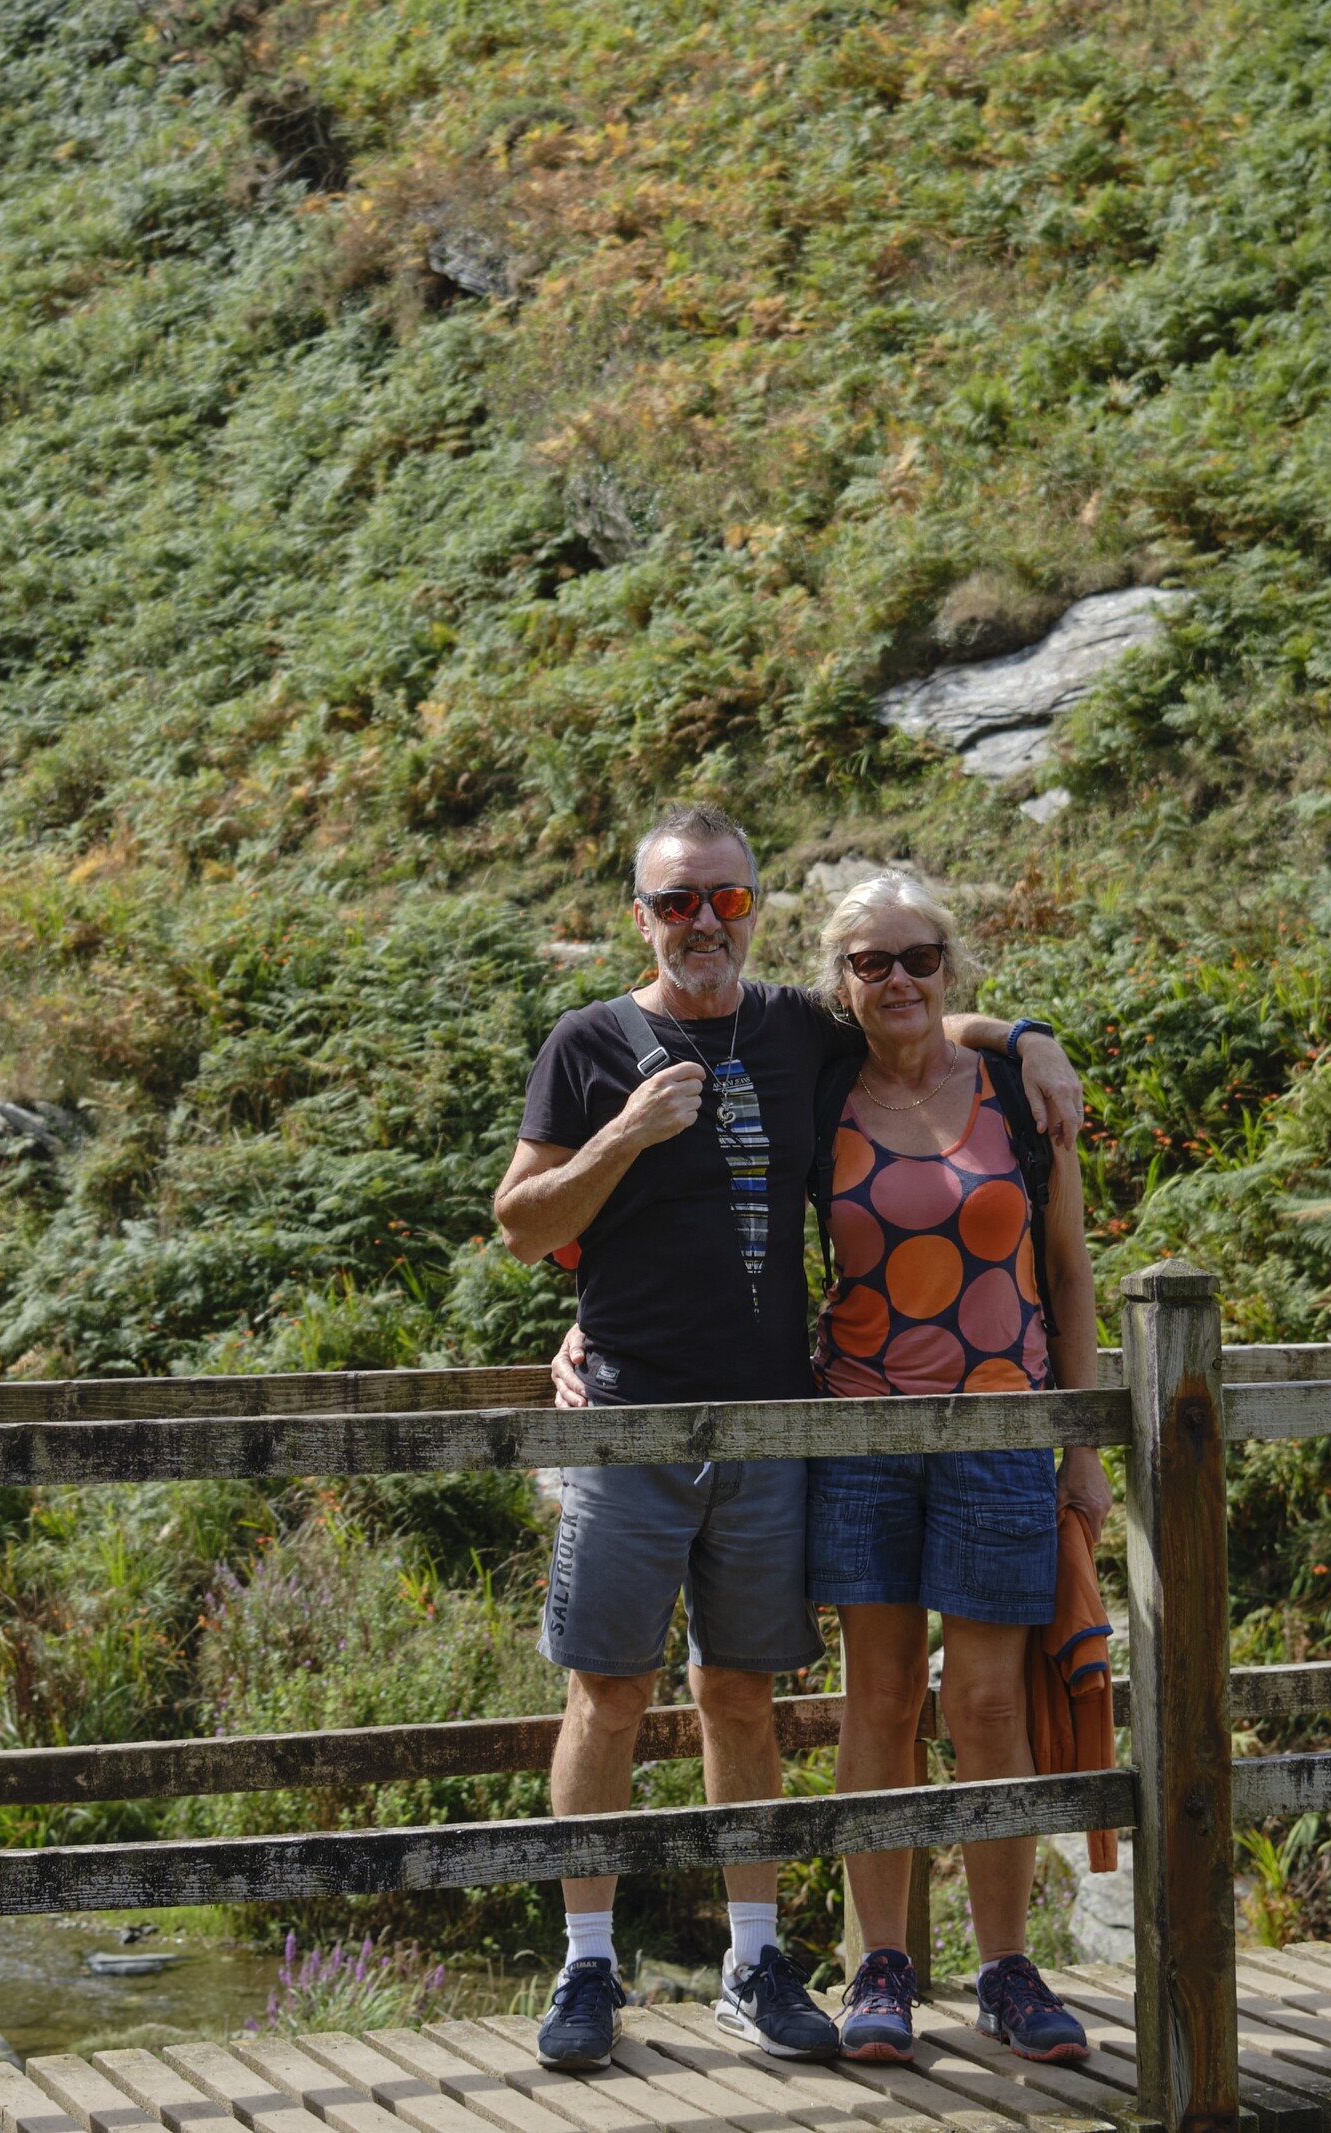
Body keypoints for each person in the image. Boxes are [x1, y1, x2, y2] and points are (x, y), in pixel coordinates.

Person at [493, 804, 1084, 2074]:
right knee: (607, 1692)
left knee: (741, 1693)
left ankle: (754, 1961)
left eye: (725, 898)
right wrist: (625, 1134)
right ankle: (585, 1965)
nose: (702, 922)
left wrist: (1028, 1036)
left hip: (777, 1418)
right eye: (676, 901)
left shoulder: (795, 1030)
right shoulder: (586, 1043)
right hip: (633, 1420)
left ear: (754, 910)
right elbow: (523, 1224)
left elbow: (915, 1015)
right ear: (640, 915)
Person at [807, 871, 1109, 2066]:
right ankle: (879, 1966)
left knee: (987, 1704)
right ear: (839, 982)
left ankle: (1004, 1968)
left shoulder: (1016, 1101)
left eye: (919, 959)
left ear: (949, 967)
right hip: (859, 1434)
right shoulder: (816, 1093)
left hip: (1000, 1431)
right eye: (871, 962)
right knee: (877, 1701)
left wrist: (1080, 1446)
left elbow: (1069, 1275)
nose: (898, 980)